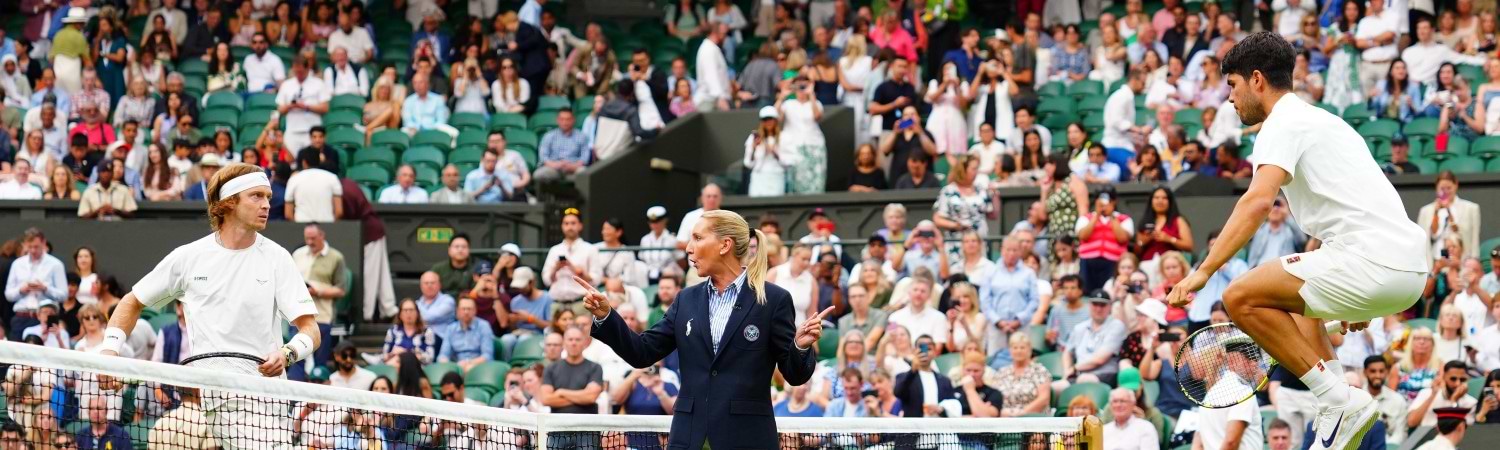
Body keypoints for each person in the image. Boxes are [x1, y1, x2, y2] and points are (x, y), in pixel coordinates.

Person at [1166, 32, 1430, 450]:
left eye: (1231, 85)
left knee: (1239, 296)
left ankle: (1336, 399)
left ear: (1256, 80)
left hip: (1375, 263)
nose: (1229, 99)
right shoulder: (1327, 122)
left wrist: (1204, 271)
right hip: (1408, 270)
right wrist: (1356, 299)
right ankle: (1339, 402)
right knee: (1297, 301)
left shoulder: (1281, 123)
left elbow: (1255, 203)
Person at [97, 163, 319, 446]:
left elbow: (310, 329)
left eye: (268, 197)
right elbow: (132, 301)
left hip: (270, 395)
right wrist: (110, 349)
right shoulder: (189, 257)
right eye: (256, 196)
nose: (266, 205)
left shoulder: (278, 258)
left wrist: (288, 353)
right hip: (219, 396)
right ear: (229, 203)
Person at [583, 208, 826, 448]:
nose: (688, 247)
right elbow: (641, 352)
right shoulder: (685, 300)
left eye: (698, 238)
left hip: (748, 438)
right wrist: (606, 315)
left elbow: (794, 375)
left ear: (724, 245)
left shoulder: (773, 300)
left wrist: (800, 346)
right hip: (689, 437)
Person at [539, 326, 605, 446]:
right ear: (564, 343)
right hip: (558, 430)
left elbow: (590, 397)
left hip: (587, 431)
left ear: (585, 343)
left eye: (577, 339)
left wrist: (561, 392)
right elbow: (546, 399)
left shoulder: (595, 367)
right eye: (570, 339)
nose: (574, 343)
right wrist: (581, 397)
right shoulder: (551, 368)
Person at [1416, 171, 1481, 259]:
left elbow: (1473, 239)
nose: (1446, 191)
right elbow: (1428, 237)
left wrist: (1474, 259)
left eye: (1449, 188)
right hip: (1436, 258)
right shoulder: (1425, 211)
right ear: (1436, 188)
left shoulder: (1471, 208)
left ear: (1456, 185)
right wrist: (1436, 212)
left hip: (1462, 260)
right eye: (1442, 188)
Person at [1407, 361, 1478, 429]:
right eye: (1453, 379)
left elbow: (1456, 430)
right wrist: (1432, 396)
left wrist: (1454, 402)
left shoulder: (1471, 402)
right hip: (1424, 436)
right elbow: (1411, 422)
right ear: (1444, 377)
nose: (1457, 384)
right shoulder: (1426, 393)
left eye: (1462, 379)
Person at [383, 299, 438, 366]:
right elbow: (385, 356)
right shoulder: (392, 332)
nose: (408, 313)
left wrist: (405, 352)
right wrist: (393, 354)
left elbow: (430, 358)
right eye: (405, 310)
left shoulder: (427, 332)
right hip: (395, 365)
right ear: (400, 314)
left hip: (418, 367)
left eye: (411, 310)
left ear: (417, 313)